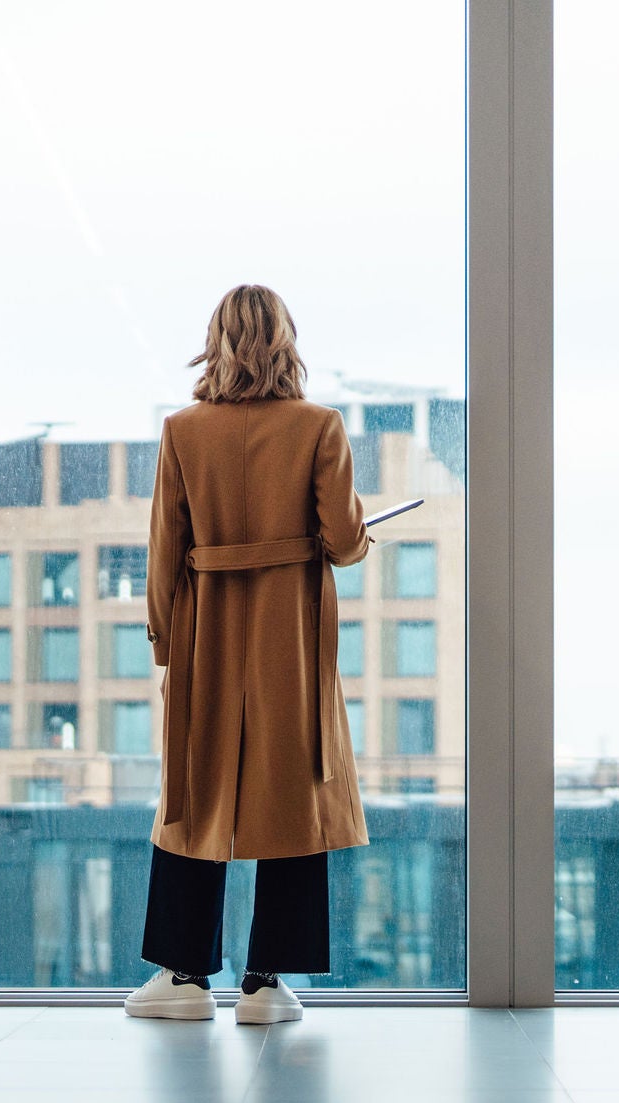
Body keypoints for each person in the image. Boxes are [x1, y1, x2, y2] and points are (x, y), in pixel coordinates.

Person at [123, 284, 370, 1026]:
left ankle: (184, 975)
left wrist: (165, 647)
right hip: (288, 637)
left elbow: (164, 550)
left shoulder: (183, 431)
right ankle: (264, 982)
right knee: (294, 788)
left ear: (217, 342)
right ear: (286, 341)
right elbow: (348, 543)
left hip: (205, 634)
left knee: (194, 794)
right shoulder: (320, 427)